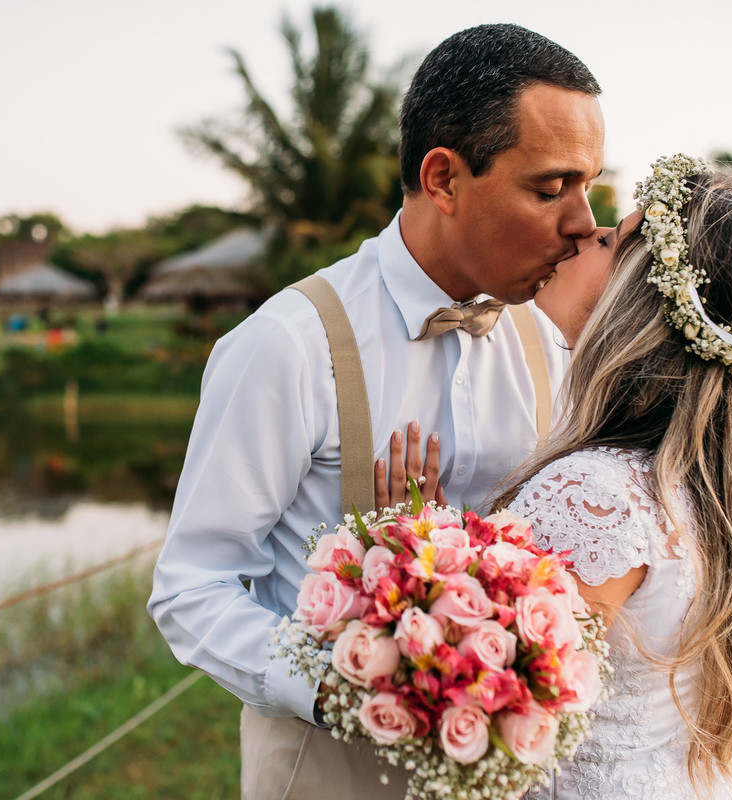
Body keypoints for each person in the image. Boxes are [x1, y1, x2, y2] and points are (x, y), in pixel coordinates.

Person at [148, 23, 603, 800]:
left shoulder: (550, 343)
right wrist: (351, 687)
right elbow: (192, 587)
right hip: (327, 776)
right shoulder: (287, 345)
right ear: (443, 179)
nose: (582, 222)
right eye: (550, 188)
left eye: (589, 185)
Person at [489, 155, 732, 799]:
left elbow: (497, 711)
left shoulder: (594, 496)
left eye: (611, 239)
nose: (585, 234)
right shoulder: (712, 490)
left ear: (634, 299)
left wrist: (407, 546)